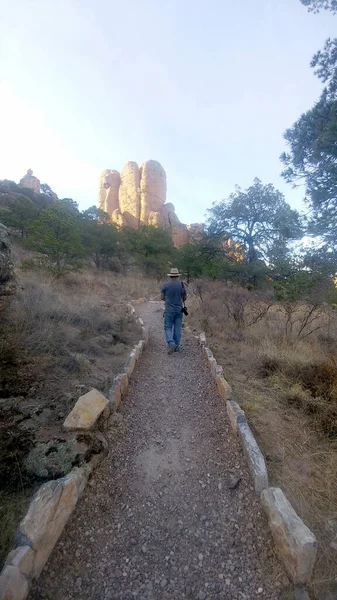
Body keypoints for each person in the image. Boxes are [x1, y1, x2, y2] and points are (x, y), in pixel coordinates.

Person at [161, 267, 187, 354]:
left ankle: (171, 343)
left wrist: (169, 300)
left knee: (168, 327)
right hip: (179, 310)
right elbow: (185, 298)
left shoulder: (165, 285)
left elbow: (162, 297)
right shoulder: (182, 285)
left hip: (169, 309)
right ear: (177, 276)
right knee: (177, 328)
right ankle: (176, 346)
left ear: (170, 276)